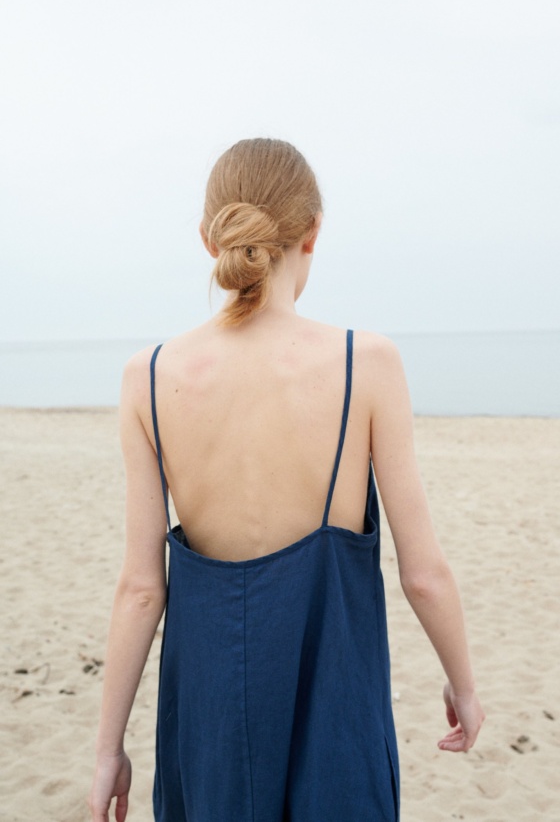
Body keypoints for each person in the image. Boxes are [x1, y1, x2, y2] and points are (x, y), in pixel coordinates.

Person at [89, 137, 484, 822]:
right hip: (338, 720)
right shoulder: (368, 363)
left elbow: (141, 588)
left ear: (209, 239)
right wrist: (465, 686)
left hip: (207, 726)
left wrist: (107, 750)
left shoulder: (147, 380)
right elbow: (423, 573)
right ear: (313, 234)